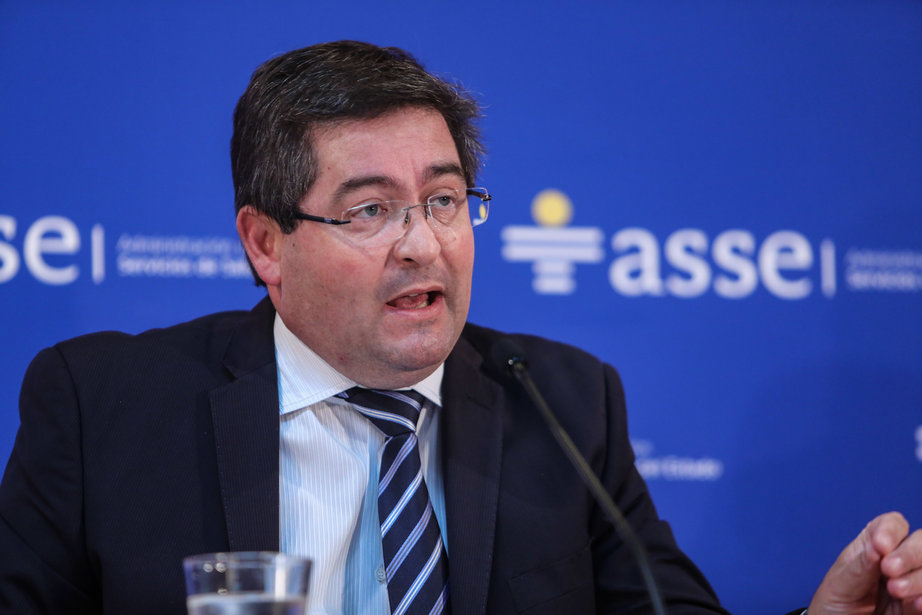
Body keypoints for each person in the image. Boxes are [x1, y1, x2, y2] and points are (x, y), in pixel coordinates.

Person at [0, 40, 919, 615]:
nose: (423, 244)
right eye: (370, 211)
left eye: (443, 200)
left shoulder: (563, 402)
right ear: (266, 242)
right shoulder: (103, 406)